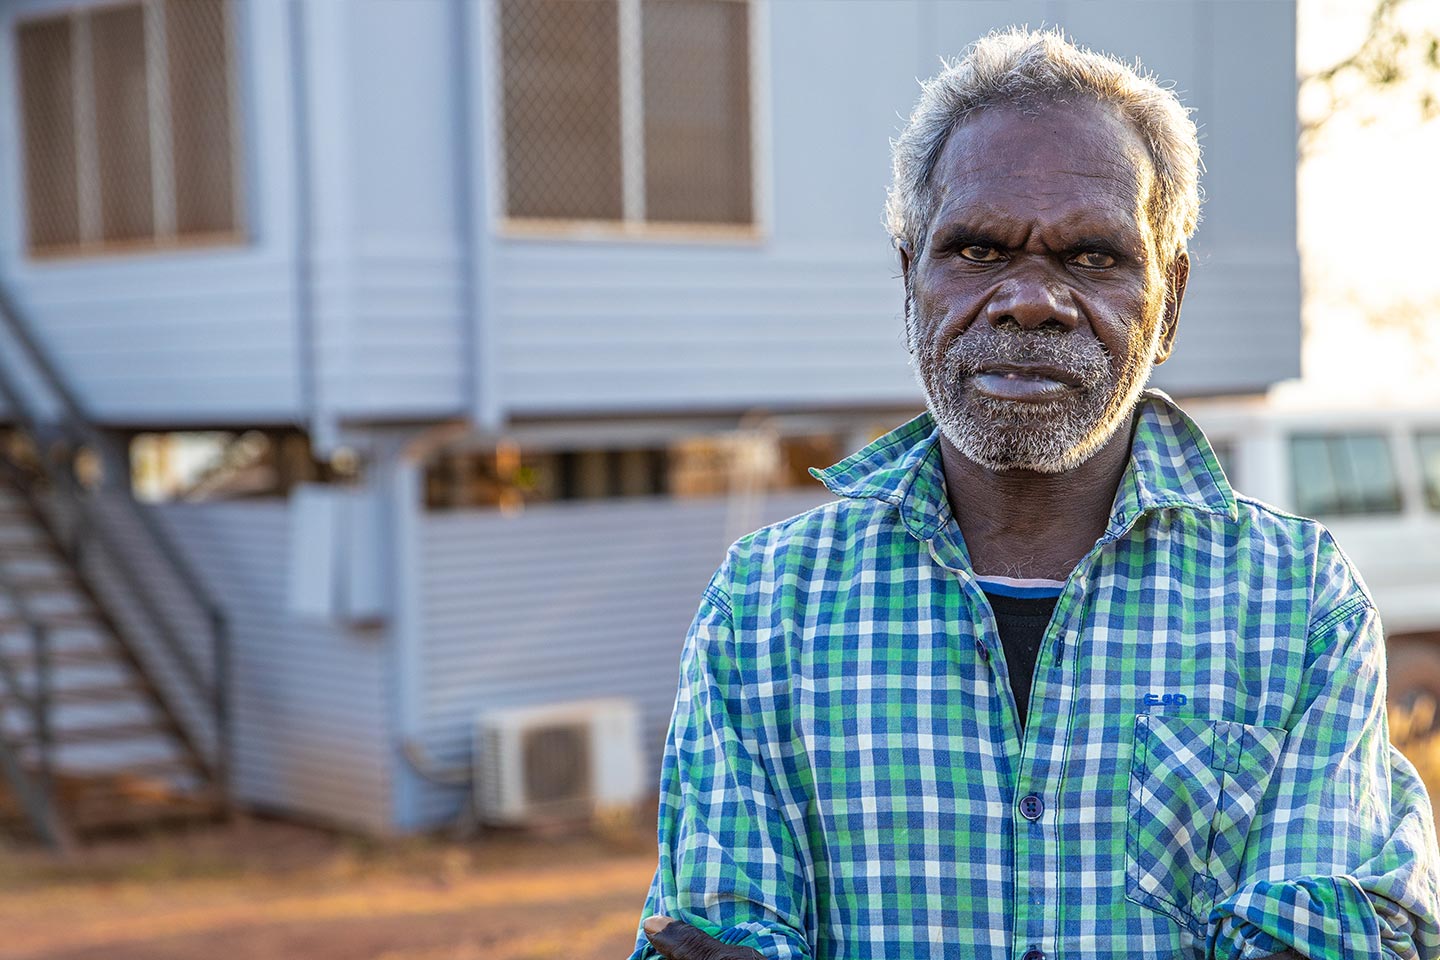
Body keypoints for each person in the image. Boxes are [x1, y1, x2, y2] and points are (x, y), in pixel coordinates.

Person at [628, 27, 1440, 960]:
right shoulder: (767, 609)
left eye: (1093, 257)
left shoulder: (1298, 604)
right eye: (977, 250)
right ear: (910, 282)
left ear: (1168, 302)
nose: (1030, 300)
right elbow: (723, 931)